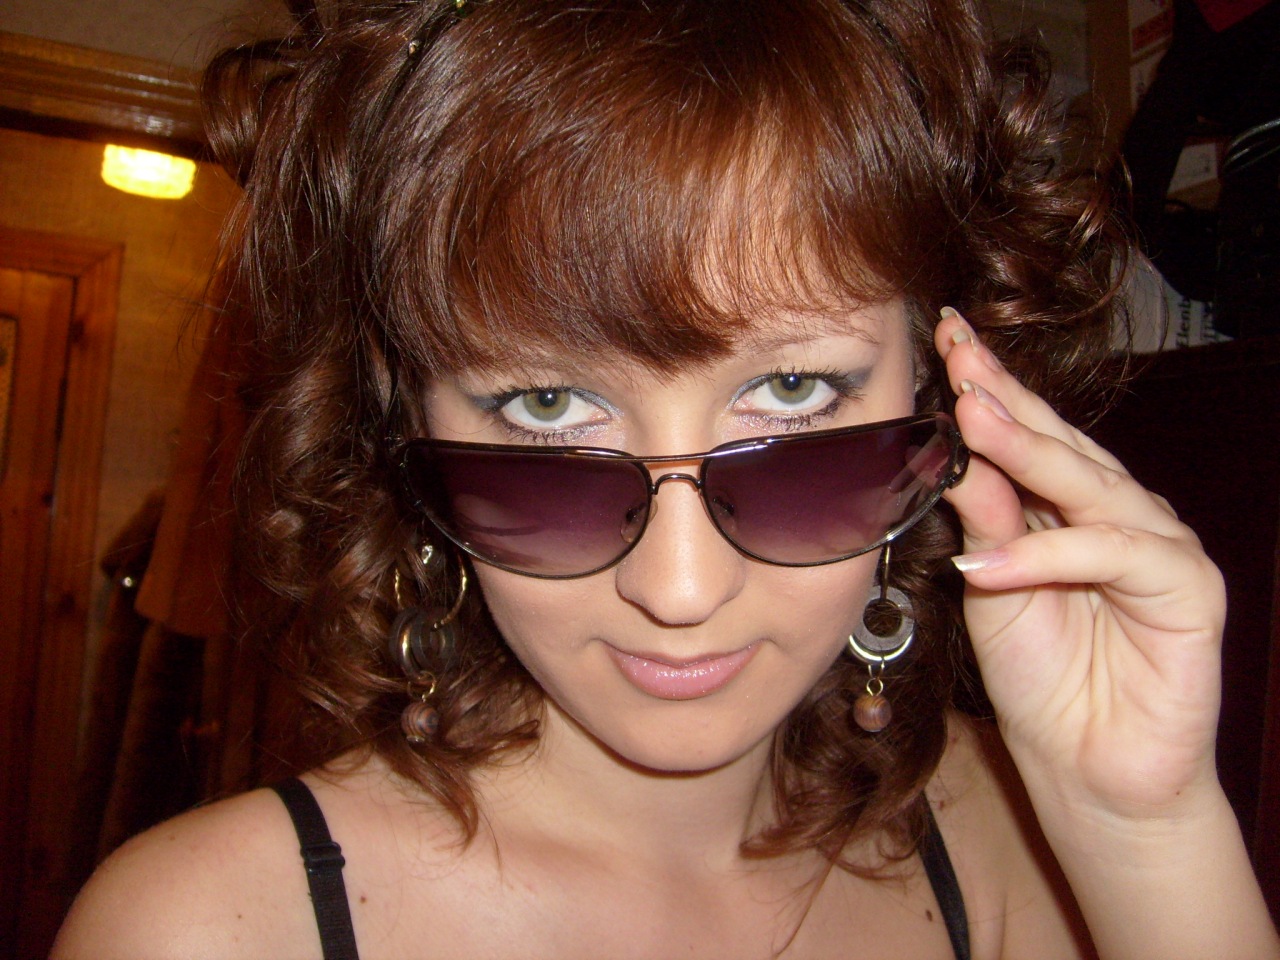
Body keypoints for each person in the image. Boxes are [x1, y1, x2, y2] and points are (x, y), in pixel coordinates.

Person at [53, 1, 1280, 957]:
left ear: (944, 398)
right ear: (401, 430)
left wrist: (1145, 832)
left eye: (791, 391)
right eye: (545, 407)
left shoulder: (1014, 844)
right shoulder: (205, 930)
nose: (679, 588)